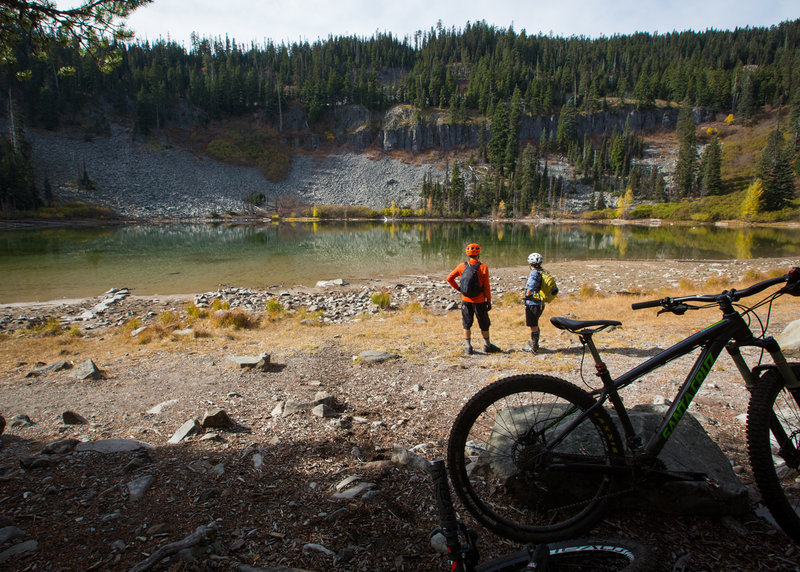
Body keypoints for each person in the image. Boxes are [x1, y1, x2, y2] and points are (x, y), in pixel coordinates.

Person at [447, 243, 501, 355]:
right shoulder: (483, 267)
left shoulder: (461, 266)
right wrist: (489, 301)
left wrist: (459, 288)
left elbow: (449, 278)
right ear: (478, 254)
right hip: (480, 301)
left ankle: (468, 347)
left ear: (468, 254)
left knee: (467, 323)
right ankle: (487, 345)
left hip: (466, 300)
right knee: (484, 323)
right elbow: (486, 286)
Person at [523, 252, 556, 353]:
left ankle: (534, 347)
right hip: (541, 303)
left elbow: (531, 286)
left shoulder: (534, 273)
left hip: (533, 303)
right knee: (535, 324)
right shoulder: (543, 272)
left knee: (533, 325)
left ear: (530, 263)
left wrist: (527, 296)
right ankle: (535, 343)